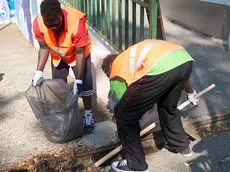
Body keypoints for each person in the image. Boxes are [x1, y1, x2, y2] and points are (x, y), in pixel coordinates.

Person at [101, 39, 198, 172]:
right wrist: (190, 92)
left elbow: (126, 104)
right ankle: (182, 146)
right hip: (184, 59)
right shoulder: (131, 56)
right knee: (168, 107)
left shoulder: (116, 69)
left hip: (159, 68)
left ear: (109, 68)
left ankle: (136, 165)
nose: (110, 77)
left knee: (123, 114)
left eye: (108, 75)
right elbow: (175, 68)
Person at [32, 0, 95, 134]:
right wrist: (39, 72)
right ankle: (65, 114)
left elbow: (80, 52)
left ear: (61, 14)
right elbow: (43, 48)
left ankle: (88, 114)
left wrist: (78, 79)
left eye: (56, 23)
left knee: (85, 84)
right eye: (49, 25)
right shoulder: (38, 23)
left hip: (78, 54)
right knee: (59, 86)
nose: (53, 28)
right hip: (57, 56)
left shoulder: (76, 21)